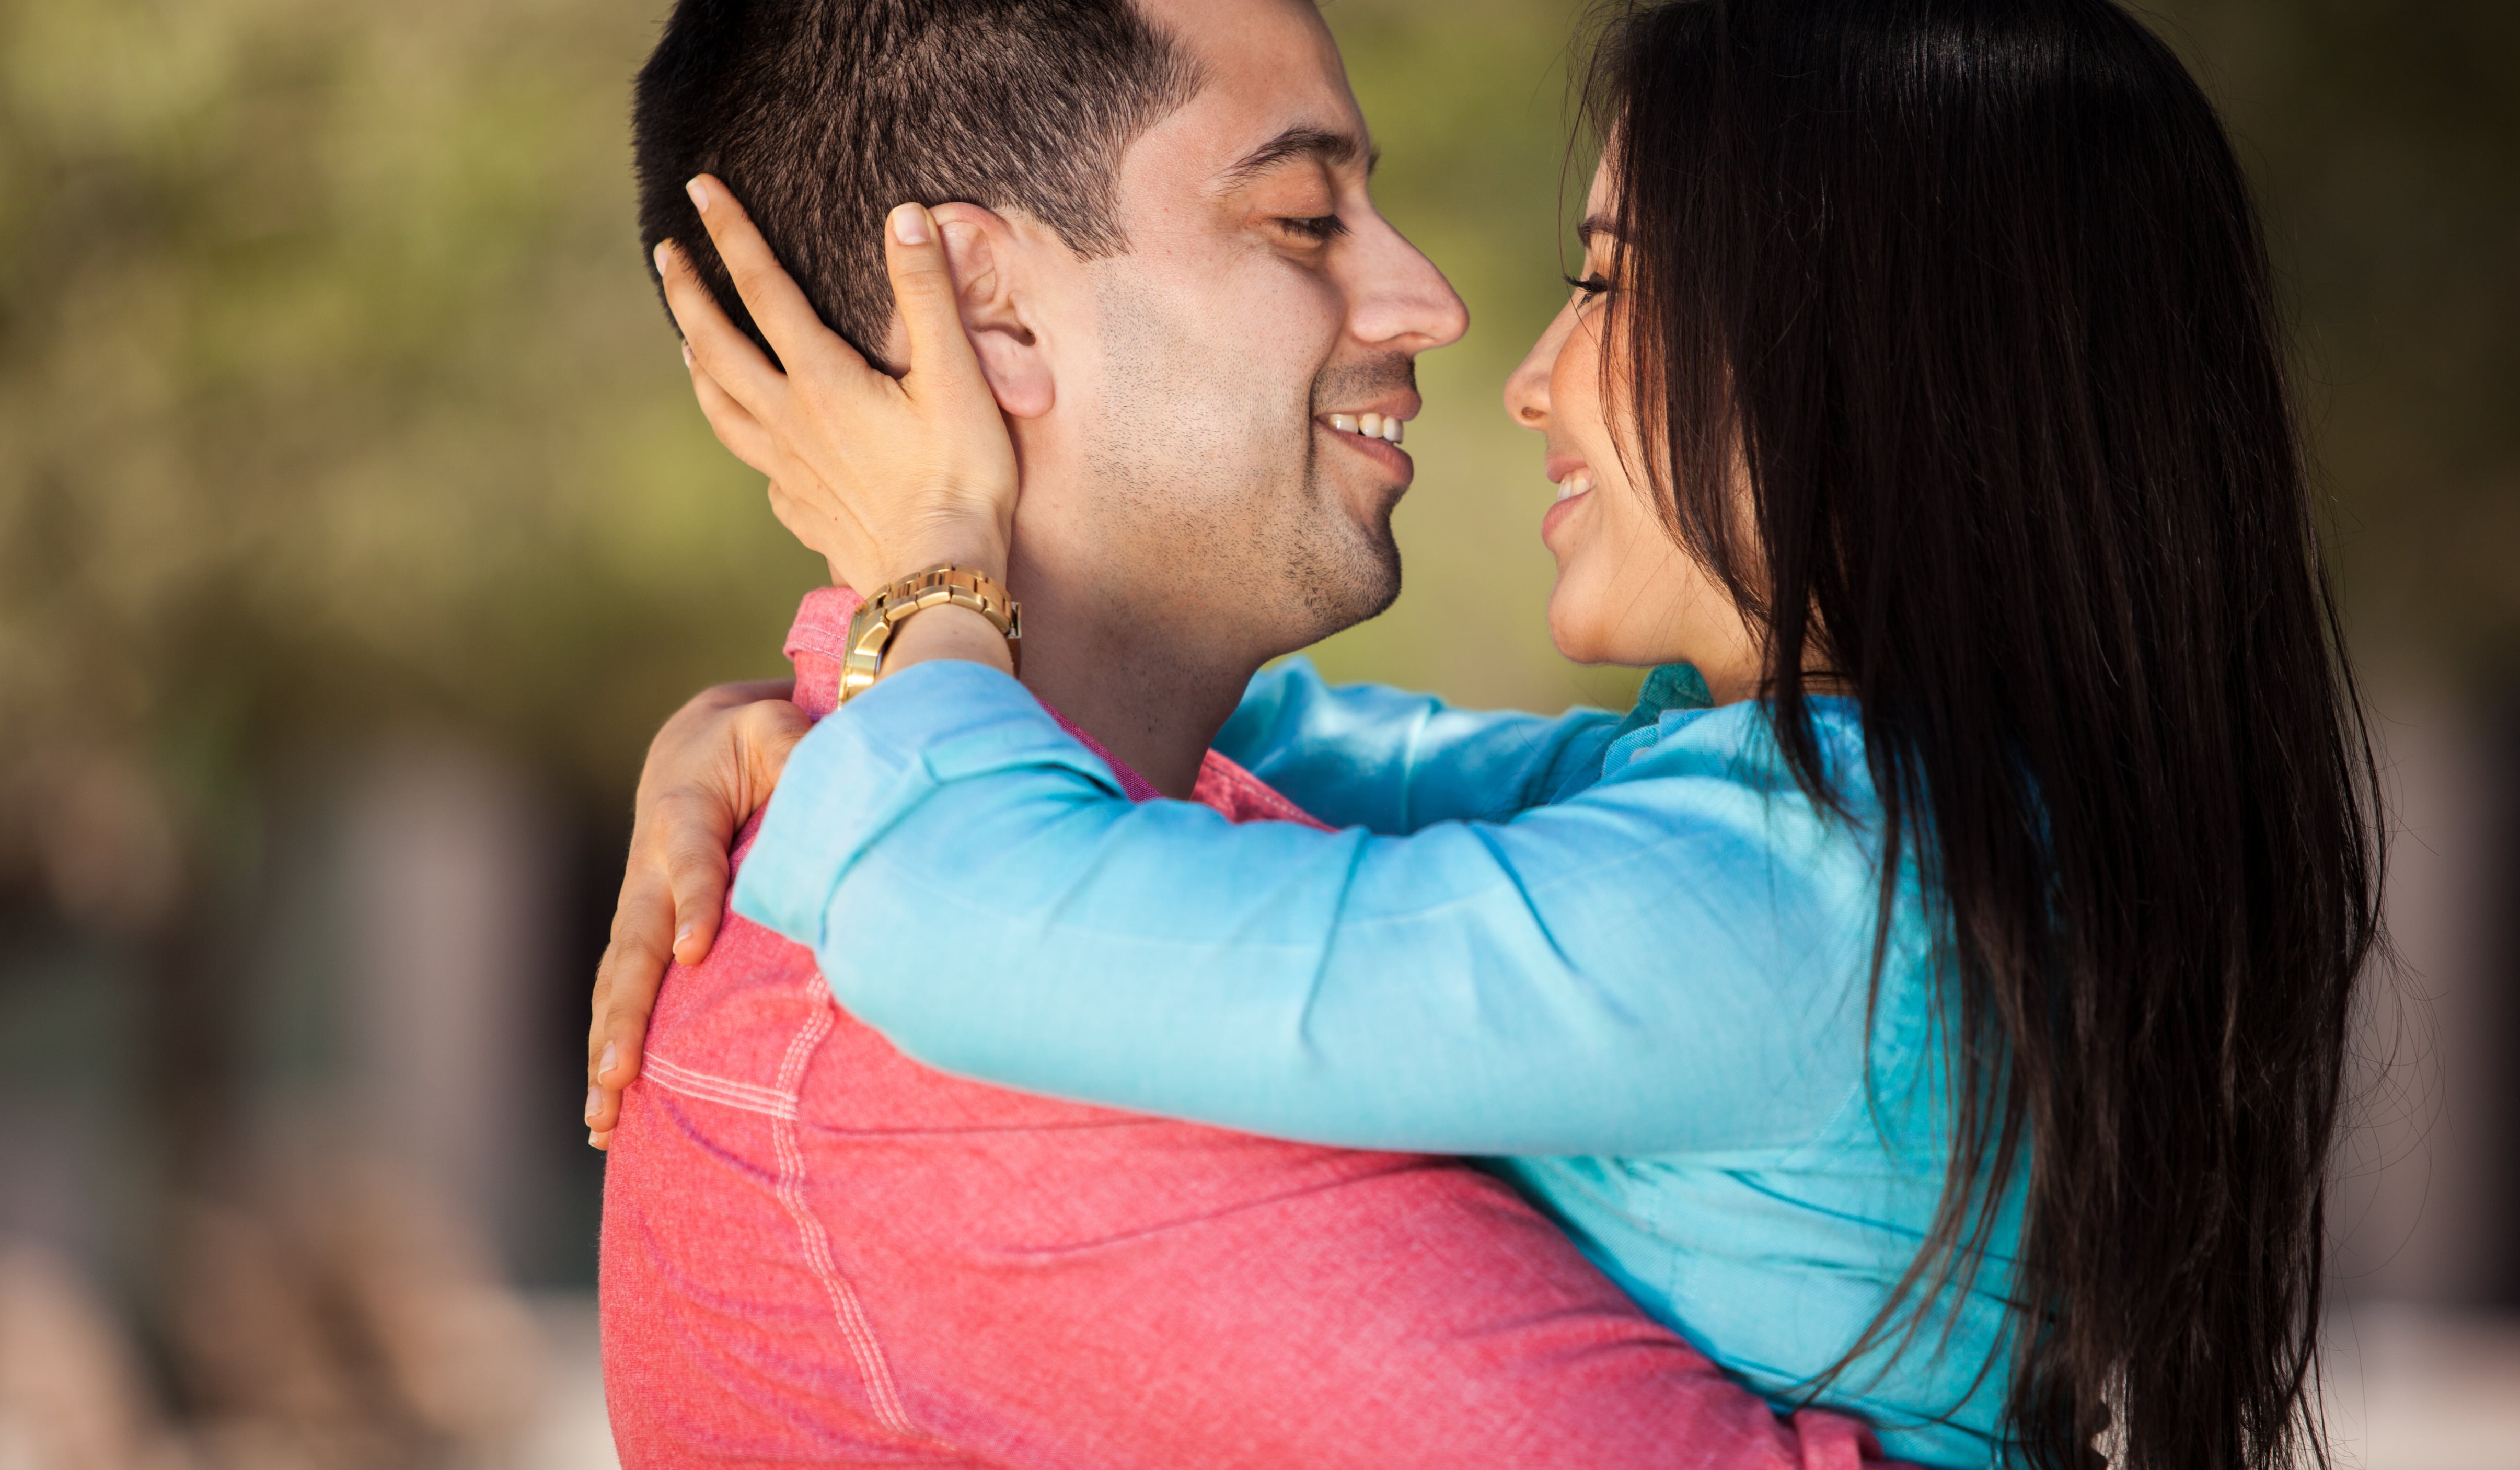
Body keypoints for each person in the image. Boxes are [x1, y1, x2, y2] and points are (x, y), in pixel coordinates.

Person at [598, 2, 2386, 1468]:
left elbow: (963, 905)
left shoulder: (1779, 904)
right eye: (1307, 221)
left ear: (1872, 357)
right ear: (985, 312)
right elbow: (1338, 763)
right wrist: (806, 701)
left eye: (1609, 285)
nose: (1494, 351)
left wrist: (908, 611)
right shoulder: (1867, 830)